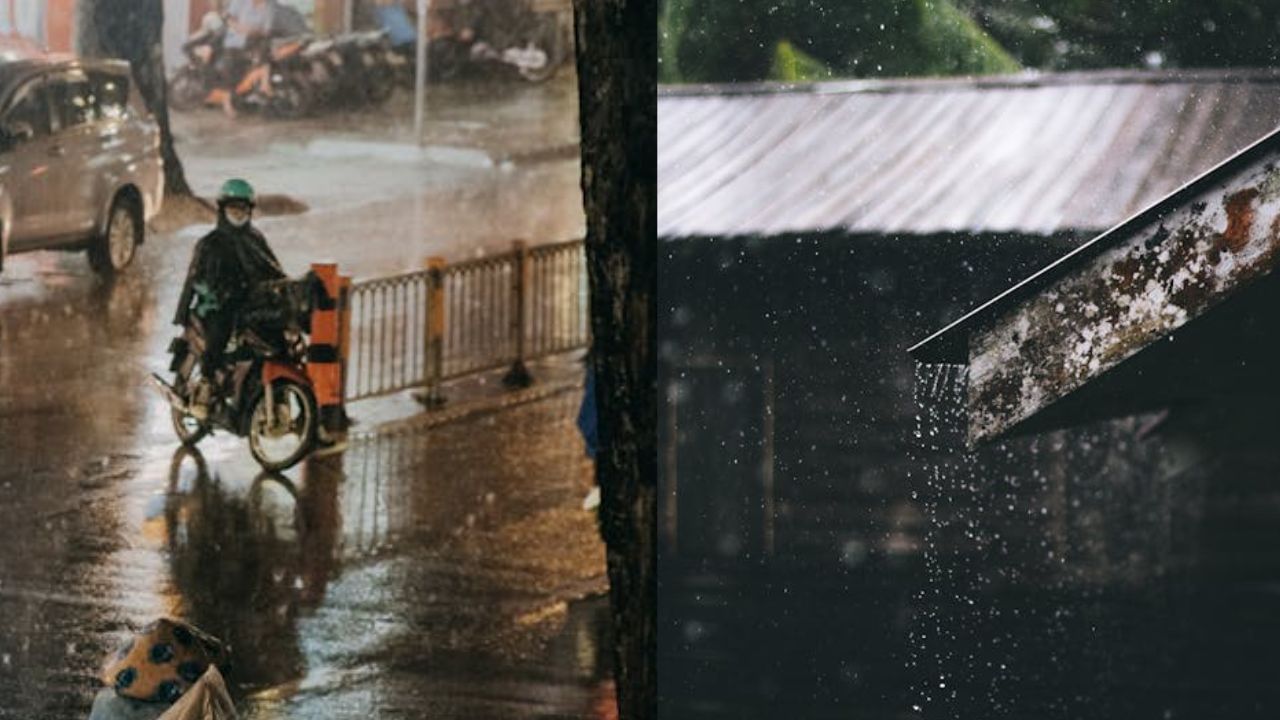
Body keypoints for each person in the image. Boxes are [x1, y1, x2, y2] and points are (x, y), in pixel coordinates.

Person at [174, 178, 286, 419]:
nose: (238, 213)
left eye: (243, 208)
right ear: (223, 209)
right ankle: (205, 384)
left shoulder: (255, 239)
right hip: (216, 308)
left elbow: (272, 271)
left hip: (249, 307)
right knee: (219, 330)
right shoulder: (210, 243)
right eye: (233, 208)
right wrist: (218, 294)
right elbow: (197, 280)